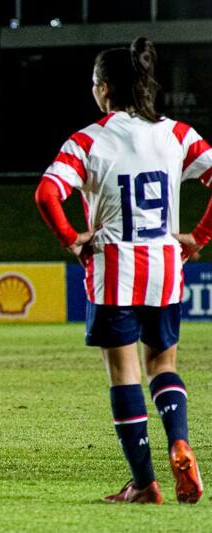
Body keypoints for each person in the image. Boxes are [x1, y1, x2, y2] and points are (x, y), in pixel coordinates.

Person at [35, 37, 210, 504]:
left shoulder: (89, 141)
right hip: (164, 267)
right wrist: (198, 236)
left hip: (114, 269)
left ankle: (145, 483)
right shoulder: (176, 134)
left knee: (124, 374)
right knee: (164, 363)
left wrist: (72, 239)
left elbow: (47, 195)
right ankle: (179, 439)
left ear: (106, 89)